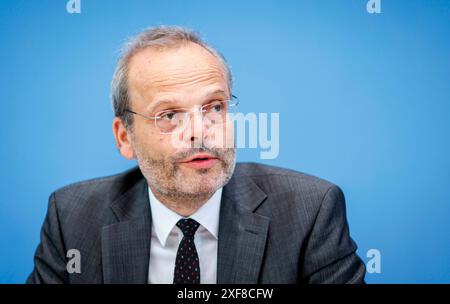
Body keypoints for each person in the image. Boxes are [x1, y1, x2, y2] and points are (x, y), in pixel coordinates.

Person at [27, 26, 366, 284]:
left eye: (214, 107)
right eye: (169, 115)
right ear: (124, 137)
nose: (199, 131)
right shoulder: (72, 218)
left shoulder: (310, 212)